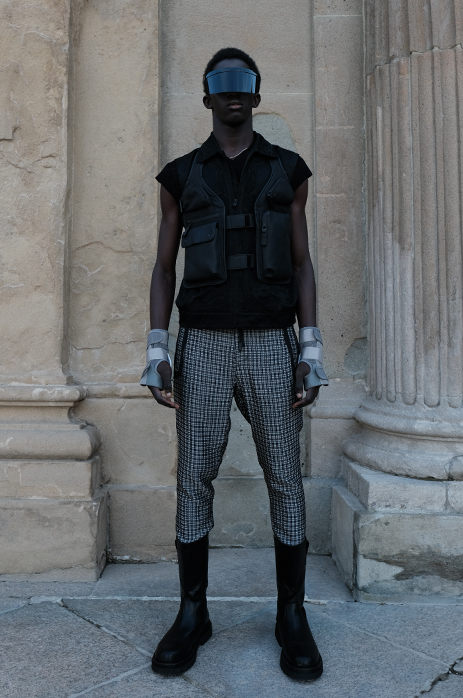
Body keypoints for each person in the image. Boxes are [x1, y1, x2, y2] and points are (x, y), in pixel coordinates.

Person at [140, 47, 328, 682]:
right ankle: (193, 613)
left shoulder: (288, 171)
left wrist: (311, 352)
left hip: (273, 341)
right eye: (221, 83)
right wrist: (157, 351)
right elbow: (163, 267)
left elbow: (302, 263)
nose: (233, 92)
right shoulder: (181, 175)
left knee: (284, 477)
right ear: (206, 97)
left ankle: (291, 615)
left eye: (243, 81)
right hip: (204, 344)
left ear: (256, 92)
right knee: (194, 476)